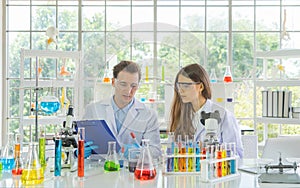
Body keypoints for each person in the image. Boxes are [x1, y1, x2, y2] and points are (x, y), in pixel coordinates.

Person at [82, 60, 161, 159]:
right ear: (113, 82)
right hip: (98, 171)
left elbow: (156, 151)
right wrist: (78, 151)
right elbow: (78, 143)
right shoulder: (93, 109)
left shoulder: (149, 115)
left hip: (130, 171)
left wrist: (138, 152)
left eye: (133, 86)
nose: (128, 91)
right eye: (123, 84)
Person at [168, 63, 244, 158]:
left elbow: (237, 154)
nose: (181, 90)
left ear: (200, 87)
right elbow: (172, 152)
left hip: (213, 171)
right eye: (179, 86)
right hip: (186, 171)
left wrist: (213, 151)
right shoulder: (181, 115)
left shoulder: (223, 115)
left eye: (186, 86)